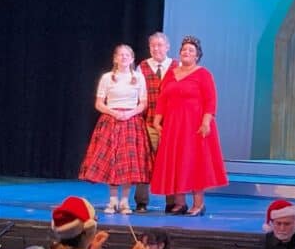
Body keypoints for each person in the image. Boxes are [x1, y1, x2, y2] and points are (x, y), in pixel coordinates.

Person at [150, 35, 228, 216]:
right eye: (184, 49)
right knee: (176, 161)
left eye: (190, 50)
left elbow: (211, 100)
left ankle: (198, 204)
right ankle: (180, 203)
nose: (186, 52)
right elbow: (163, 98)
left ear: (197, 56)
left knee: (194, 163)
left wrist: (206, 122)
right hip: (173, 125)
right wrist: (157, 119)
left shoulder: (203, 74)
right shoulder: (171, 73)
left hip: (195, 126)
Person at [78, 44, 152, 215]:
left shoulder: (139, 78)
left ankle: (125, 202)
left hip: (131, 121)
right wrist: (114, 113)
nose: (124, 57)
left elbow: (143, 103)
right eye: (120, 55)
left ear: (132, 59)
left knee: (127, 164)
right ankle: (112, 201)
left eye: (127, 55)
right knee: (112, 161)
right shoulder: (107, 78)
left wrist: (130, 113)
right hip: (111, 120)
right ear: (115, 58)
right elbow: (99, 103)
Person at [134, 32, 180, 214]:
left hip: (173, 123)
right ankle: (141, 201)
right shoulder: (142, 67)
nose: (156, 49)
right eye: (153, 45)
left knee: (170, 161)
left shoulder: (176, 66)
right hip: (149, 121)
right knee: (145, 160)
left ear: (167, 47)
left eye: (160, 45)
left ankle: (171, 202)